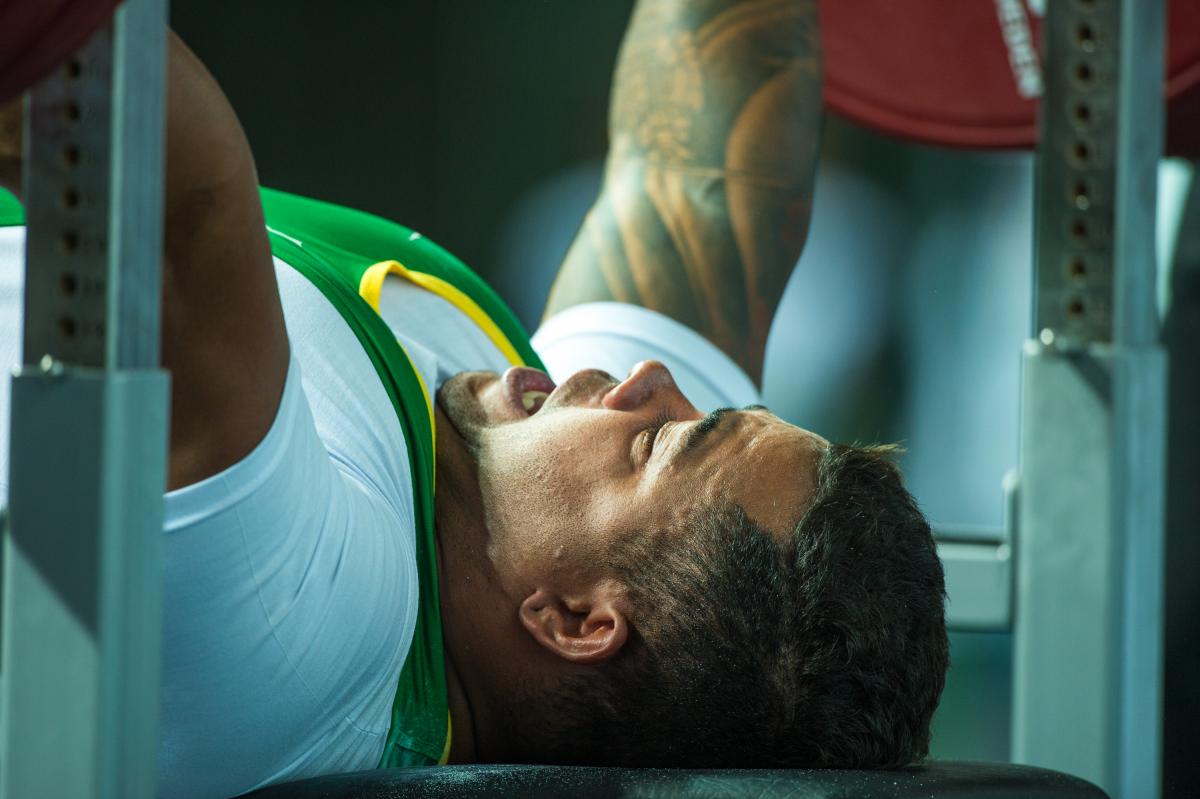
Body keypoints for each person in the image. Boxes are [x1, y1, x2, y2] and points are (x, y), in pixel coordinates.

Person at [0, 1, 948, 796]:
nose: (654, 387)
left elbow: (121, 134)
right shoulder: (517, 474)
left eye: (667, 444)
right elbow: (699, 158)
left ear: (576, 621)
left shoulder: (310, 632)